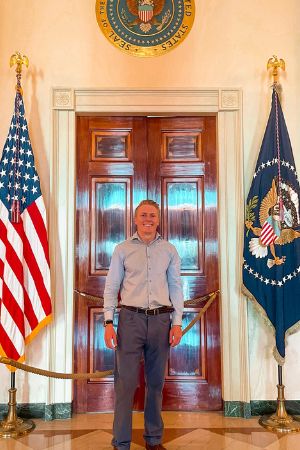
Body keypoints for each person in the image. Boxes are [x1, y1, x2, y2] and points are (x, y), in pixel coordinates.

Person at [104, 199, 184, 450]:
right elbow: (111, 287)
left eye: (152, 215)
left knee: (156, 383)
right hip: (130, 320)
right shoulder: (122, 249)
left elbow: (176, 287)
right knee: (126, 383)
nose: (148, 219)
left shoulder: (170, 250)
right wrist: (108, 322)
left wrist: (177, 323)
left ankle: (153, 439)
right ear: (135, 220)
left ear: (158, 220)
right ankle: (121, 442)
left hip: (161, 321)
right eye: (143, 215)